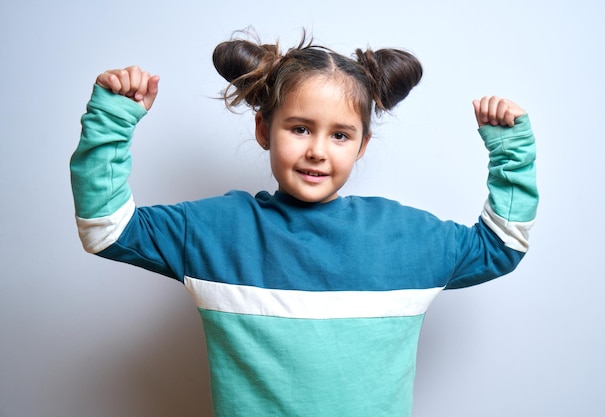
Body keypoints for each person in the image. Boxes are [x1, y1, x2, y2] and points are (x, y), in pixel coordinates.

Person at [70, 31, 538, 417]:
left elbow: (500, 246)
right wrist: (113, 119)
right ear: (263, 130)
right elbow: (106, 228)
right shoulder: (214, 231)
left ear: (362, 146)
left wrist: (510, 150)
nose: (318, 150)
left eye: (339, 135)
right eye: (299, 128)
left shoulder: (406, 237)